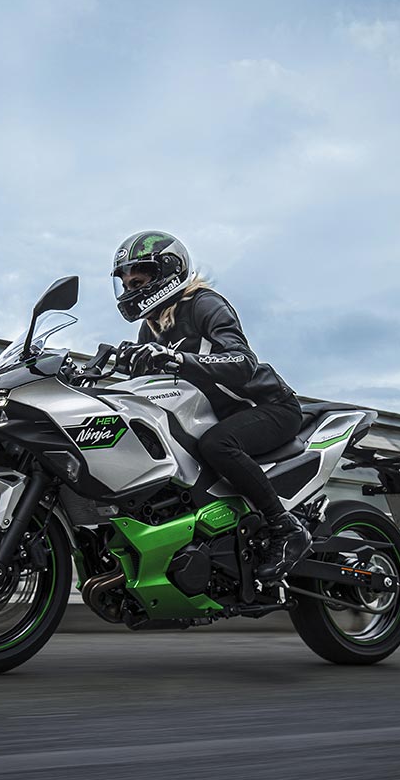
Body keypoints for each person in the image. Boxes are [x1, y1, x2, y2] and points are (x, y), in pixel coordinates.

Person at [111, 230, 310, 582]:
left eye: (138, 281)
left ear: (166, 272)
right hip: (217, 416)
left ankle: (286, 528)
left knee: (217, 444)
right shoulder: (151, 328)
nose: (131, 291)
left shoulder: (203, 303)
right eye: (126, 285)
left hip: (269, 406)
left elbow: (241, 361)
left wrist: (176, 359)